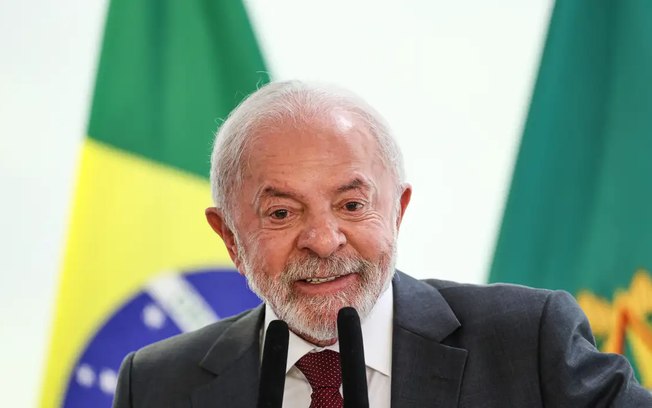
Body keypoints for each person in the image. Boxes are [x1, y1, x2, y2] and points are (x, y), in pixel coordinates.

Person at [113, 81, 651, 407]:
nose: (324, 242)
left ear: (398, 210)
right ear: (230, 237)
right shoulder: (156, 386)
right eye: (281, 213)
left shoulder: (527, 343)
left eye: (351, 205)